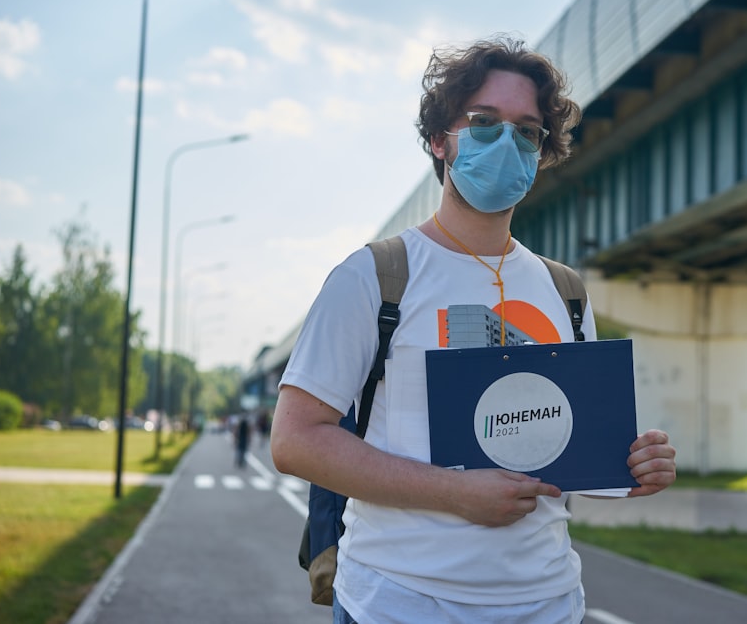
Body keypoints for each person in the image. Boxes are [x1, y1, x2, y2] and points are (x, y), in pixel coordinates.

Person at [270, 34, 677, 624]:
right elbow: (295, 440)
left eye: (527, 131)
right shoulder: (375, 277)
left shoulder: (564, 291)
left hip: (548, 603)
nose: (507, 143)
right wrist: (454, 493)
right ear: (441, 139)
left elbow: (566, 449)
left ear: (543, 151)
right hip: (397, 604)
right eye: (484, 122)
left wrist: (634, 466)